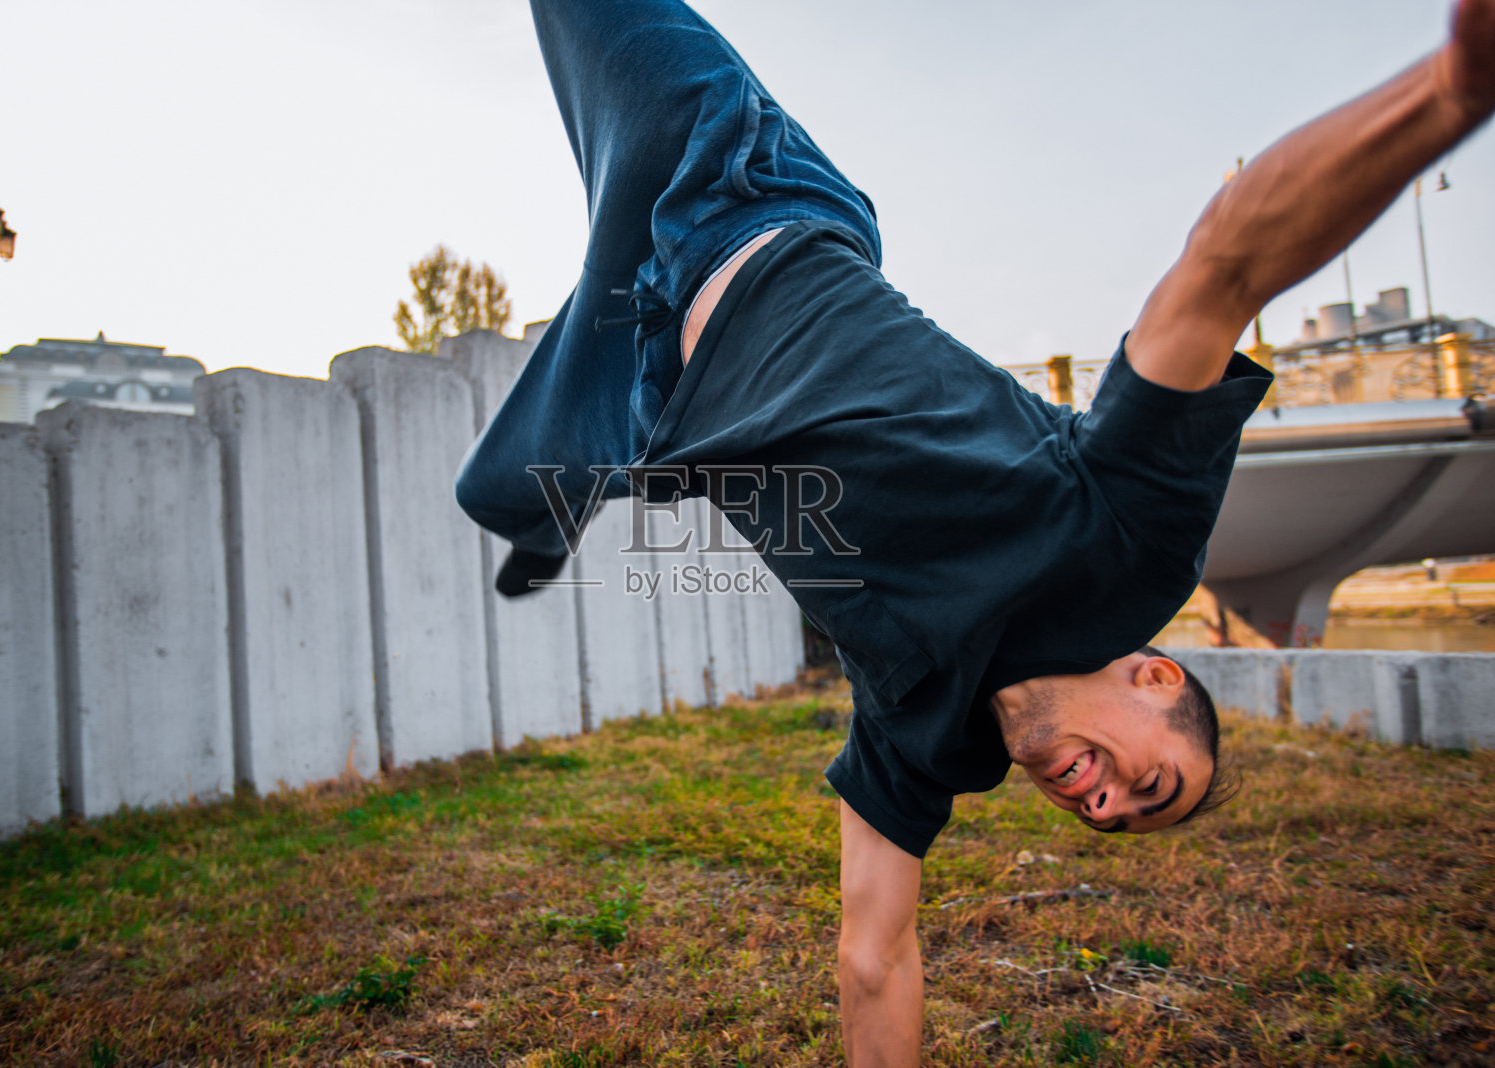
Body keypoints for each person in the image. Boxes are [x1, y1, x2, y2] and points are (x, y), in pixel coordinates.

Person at [454, 1, 1495, 1062]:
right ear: (1155, 681)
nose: (1105, 804)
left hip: (641, 373)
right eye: (1149, 784)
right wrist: (1447, 95)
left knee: (490, 487)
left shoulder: (928, 746)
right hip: (739, 198)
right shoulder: (1126, 548)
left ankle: (549, 495)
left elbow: (876, 954)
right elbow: (1222, 268)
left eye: (1116, 823)